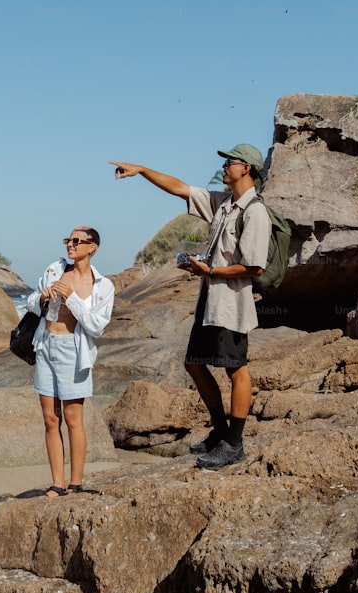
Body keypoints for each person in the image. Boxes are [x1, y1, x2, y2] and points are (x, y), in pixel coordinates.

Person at [109, 144, 271, 468]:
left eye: (230, 162)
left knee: (236, 368)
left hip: (232, 304)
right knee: (194, 363)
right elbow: (180, 187)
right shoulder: (223, 205)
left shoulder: (255, 212)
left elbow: (255, 267)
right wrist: (141, 170)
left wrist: (209, 270)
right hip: (209, 300)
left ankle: (234, 444)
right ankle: (220, 433)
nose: (224, 166)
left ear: (247, 168)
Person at [26, 226, 115, 496]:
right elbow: (31, 301)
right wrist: (42, 296)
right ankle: (57, 482)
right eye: (68, 240)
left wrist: (71, 297)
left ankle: (75, 483)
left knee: (74, 418)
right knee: (51, 419)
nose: (70, 244)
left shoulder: (102, 285)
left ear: (93, 248)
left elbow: (96, 326)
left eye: (76, 241)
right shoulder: (55, 269)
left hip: (73, 351)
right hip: (46, 344)